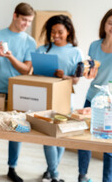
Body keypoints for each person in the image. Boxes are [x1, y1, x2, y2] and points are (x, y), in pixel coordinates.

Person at [0, 2, 36, 182]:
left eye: (29, 22)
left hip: (18, 93)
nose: (26, 25)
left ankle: (12, 168)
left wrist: (10, 56)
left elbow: (26, 70)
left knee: (16, 131)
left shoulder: (30, 42)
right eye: (24, 20)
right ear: (15, 16)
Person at [36, 15, 82, 182]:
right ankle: (55, 174)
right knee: (48, 136)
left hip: (64, 99)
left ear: (68, 31)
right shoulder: (43, 49)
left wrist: (66, 76)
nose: (56, 35)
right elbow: (36, 74)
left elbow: (76, 80)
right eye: (53, 32)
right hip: (45, 98)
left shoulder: (75, 52)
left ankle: (50, 170)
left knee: (60, 135)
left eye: (60, 32)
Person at [77, 9, 112, 182]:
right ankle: (82, 175)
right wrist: (88, 74)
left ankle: (108, 179)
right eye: (110, 22)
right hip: (92, 97)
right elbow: (90, 73)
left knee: (109, 144)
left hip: (110, 102)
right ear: (104, 24)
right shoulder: (94, 45)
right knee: (85, 138)